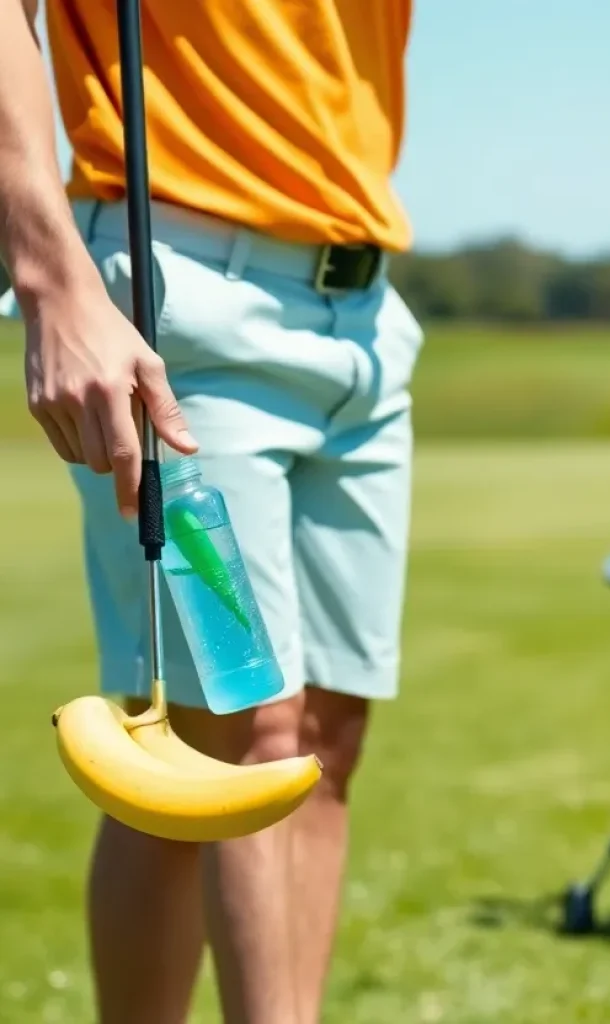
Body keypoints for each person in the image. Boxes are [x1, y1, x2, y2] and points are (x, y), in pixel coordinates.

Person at [0, 1, 421, 1022]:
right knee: (247, 724)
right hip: (177, 302)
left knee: (321, 736)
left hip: (361, 318)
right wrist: (52, 277)